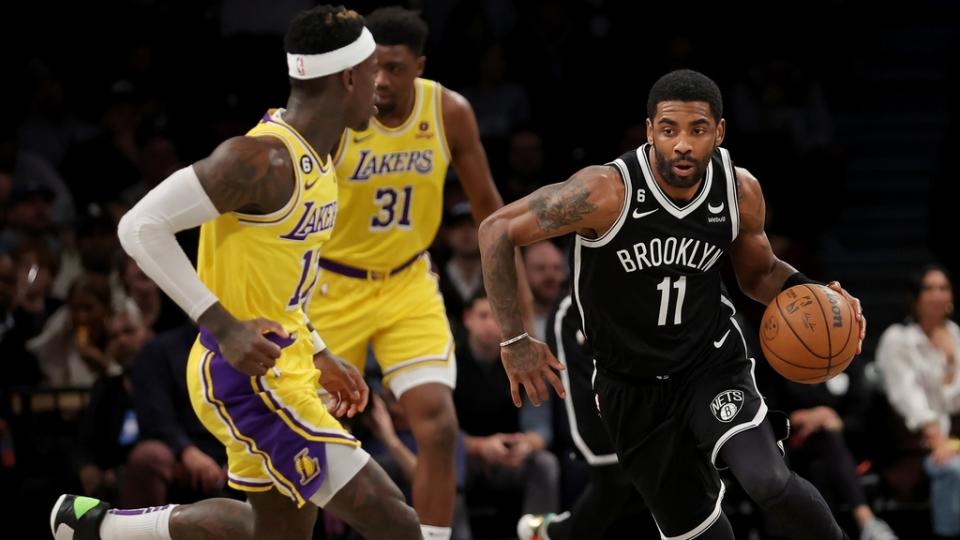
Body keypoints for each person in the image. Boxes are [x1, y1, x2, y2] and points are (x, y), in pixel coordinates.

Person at [50, 6, 420, 540]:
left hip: (284, 362)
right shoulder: (261, 160)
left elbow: (278, 282)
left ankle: (100, 528)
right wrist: (223, 327)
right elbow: (140, 227)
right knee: (397, 523)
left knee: (269, 532)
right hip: (245, 377)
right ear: (348, 78)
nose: (381, 87)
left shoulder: (324, 153)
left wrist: (316, 349)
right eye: (374, 74)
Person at [478, 69, 866, 540]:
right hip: (631, 385)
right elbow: (496, 230)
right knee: (701, 534)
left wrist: (819, 294)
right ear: (649, 131)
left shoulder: (738, 190)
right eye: (669, 129)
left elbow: (759, 275)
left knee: (769, 481)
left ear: (719, 132)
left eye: (697, 129)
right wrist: (515, 338)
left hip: (709, 363)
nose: (682, 144)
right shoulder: (605, 192)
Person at [308, 7, 524, 539]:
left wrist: (518, 321)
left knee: (438, 422)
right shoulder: (337, 116)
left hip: (406, 280)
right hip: (333, 284)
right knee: (309, 435)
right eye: (372, 66)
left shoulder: (448, 111)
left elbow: (491, 215)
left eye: (395, 68)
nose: (381, 80)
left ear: (419, 66)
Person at [517, 294, 652, 540]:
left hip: (648, 392)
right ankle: (551, 533)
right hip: (600, 401)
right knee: (615, 481)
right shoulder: (571, 310)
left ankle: (551, 531)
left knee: (661, 485)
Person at [876, 265, 960, 539]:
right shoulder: (898, 339)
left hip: (955, 436)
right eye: (929, 288)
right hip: (915, 444)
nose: (937, 294)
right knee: (952, 469)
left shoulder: (957, 335)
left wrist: (949, 365)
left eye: (943, 288)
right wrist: (937, 439)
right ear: (915, 297)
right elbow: (907, 397)